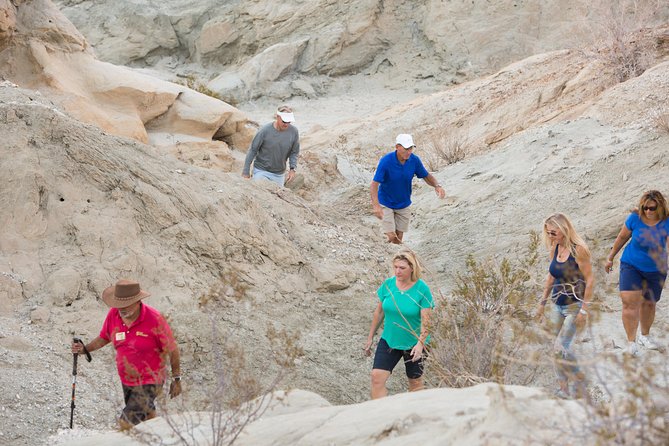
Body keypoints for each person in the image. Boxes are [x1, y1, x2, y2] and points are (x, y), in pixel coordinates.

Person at [71, 279, 182, 428]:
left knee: (127, 421)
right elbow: (104, 338)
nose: (121, 309)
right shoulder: (114, 315)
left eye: (125, 305)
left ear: (138, 302)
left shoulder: (154, 319)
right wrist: (85, 350)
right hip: (127, 380)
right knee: (146, 417)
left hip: (151, 379)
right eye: (118, 305)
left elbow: (172, 349)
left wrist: (177, 378)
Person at [536, 213, 594, 399]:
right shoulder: (555, 247)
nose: (550, 237)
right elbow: (551, 276)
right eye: (548, 233)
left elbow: (590, 280)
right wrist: (542, 303)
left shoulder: (579, 250)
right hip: (557, 305)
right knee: (557, 347)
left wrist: (585, 309)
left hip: (574, 305)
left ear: (564, 229)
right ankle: (564, 388)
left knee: (561, 346)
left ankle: (578, 381)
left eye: (553, 233)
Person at [363, 249, 434, 399]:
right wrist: (370, 337)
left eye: (402, 268)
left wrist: (420, 344)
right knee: (376, 378)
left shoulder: (422, 289)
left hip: (414, 343)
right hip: (390, 340)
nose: (397, 271)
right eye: (395, 267)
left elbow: (427, 321)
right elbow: (379, 312)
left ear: (412, 268)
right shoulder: (388, 285)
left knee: (415, 383)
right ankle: (380, 414)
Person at [605, 190, 669, 356]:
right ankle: (631, 342)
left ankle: (644, 336)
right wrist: (610, 257)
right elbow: (621, 238)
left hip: (656, 269)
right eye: (645, 207)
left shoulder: (666, 222)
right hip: (631, 265)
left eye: (652, 208)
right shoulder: (635, 218)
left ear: (660, 207)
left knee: (649, 303)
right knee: (629, 303)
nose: (648, 211)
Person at [370, 134, 445, 244]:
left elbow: (425, 175)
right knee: (391, 236)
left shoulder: (414, 160)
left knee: (399, 238)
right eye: (406, 149)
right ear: (397, 147)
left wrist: (437, 186)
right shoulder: (386, 161)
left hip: (403, 204)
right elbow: (374, 184)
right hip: (385, 202)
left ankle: (396, 256)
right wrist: (376, 206)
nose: (409, 151)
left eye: (411, 148)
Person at [241, 105, 300, 186]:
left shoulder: (294, 132)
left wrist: (292, 169)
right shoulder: (264, 130)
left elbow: (294, 152)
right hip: (261, 171)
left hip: (279, 174)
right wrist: (246, 171)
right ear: (277, 117)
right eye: (284, 121)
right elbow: (253, 150)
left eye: (289, 122)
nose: (286, 124)